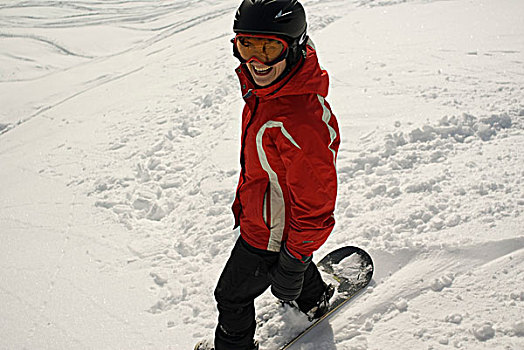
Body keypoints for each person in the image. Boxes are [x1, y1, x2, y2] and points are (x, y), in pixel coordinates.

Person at [196, 0, 340, 349]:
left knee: (231, 296)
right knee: (285, 257)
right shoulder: (273, 91)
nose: (256, 62)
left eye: (268, 48)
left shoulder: (296, 119)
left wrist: (295, 258)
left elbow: (317, 202)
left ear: (293, 46)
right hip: (272, 218)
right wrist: (292, 258)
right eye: (246, 45)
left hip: (266, 232)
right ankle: (313, 298)